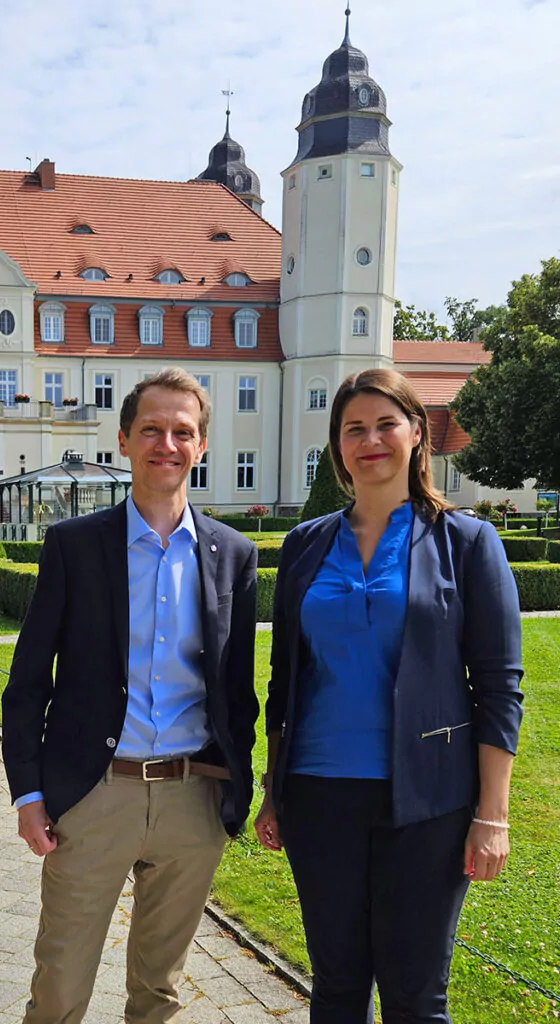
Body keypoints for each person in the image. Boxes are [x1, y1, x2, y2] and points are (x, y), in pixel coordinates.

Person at [254, 369, 524, 1024]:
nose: (369, 439)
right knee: (337, 985)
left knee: (414, 993)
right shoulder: (304, 545)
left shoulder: (467, 544)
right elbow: (286, 676)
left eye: (384, 424)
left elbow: (498, 687)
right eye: (353, 429)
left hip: (429, 803)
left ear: (415, 435)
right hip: (319, 797)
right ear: (337, 447)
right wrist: (274, 789)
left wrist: (493, 815)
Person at [2, 368, 258, 1024]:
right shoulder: (74, 546)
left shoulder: (233, 554)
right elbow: (28, 682)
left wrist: (236, 792)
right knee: (58, 992)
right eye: (151, 429)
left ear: (201, 447)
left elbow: (238, 692)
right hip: (92, 798)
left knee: (160, 995)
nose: (166, 444)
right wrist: (29, 795)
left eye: (183, 432)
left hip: (191, 801)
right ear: (123, 440)